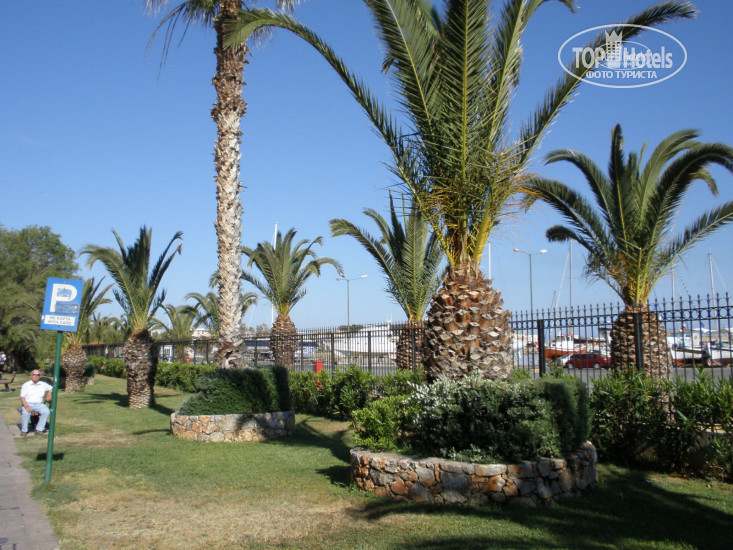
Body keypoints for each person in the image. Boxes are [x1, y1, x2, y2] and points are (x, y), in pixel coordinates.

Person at [19, 370, 52, 436]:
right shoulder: (26, 385)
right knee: (25, 413)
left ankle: (39, 429)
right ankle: (24, 430)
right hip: (28, 403)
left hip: (39, 404)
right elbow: (22, 397)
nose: (36, 376)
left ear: (39, 376)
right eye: (34, 374)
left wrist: (49, 393)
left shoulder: (43, 384)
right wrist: (26, 406)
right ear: (31, 376)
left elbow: (51, 388)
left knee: (46, 411)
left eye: (38, 375)